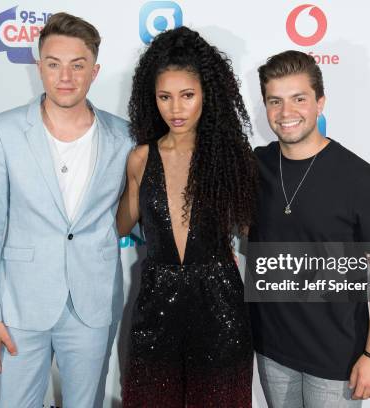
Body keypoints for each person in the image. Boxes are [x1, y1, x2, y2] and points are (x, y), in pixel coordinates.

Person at [0, 13, 132, 407]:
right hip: (19, 307)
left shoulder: (125, 135)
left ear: (94, 71)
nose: (65, 77)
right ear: (39, 66)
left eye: (77, 66)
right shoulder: (3, 131)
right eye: (54, 64)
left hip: (92, 305)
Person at [249, 50, 370, 407]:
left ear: (320, 103)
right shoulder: (257, 167)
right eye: (275, 101)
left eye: (299, 99)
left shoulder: (361, 181)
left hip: (336, 359)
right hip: (272, 350)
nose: (286, 113)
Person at [116, 26, 257, 407]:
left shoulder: (231, 160)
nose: (175, 109)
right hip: (156, 304)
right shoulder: (141, 158)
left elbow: (252, 229)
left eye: (187, 96)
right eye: (165, 97)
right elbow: (122, 225)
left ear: (207, 96)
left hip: (219, 305)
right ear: (152, 98)